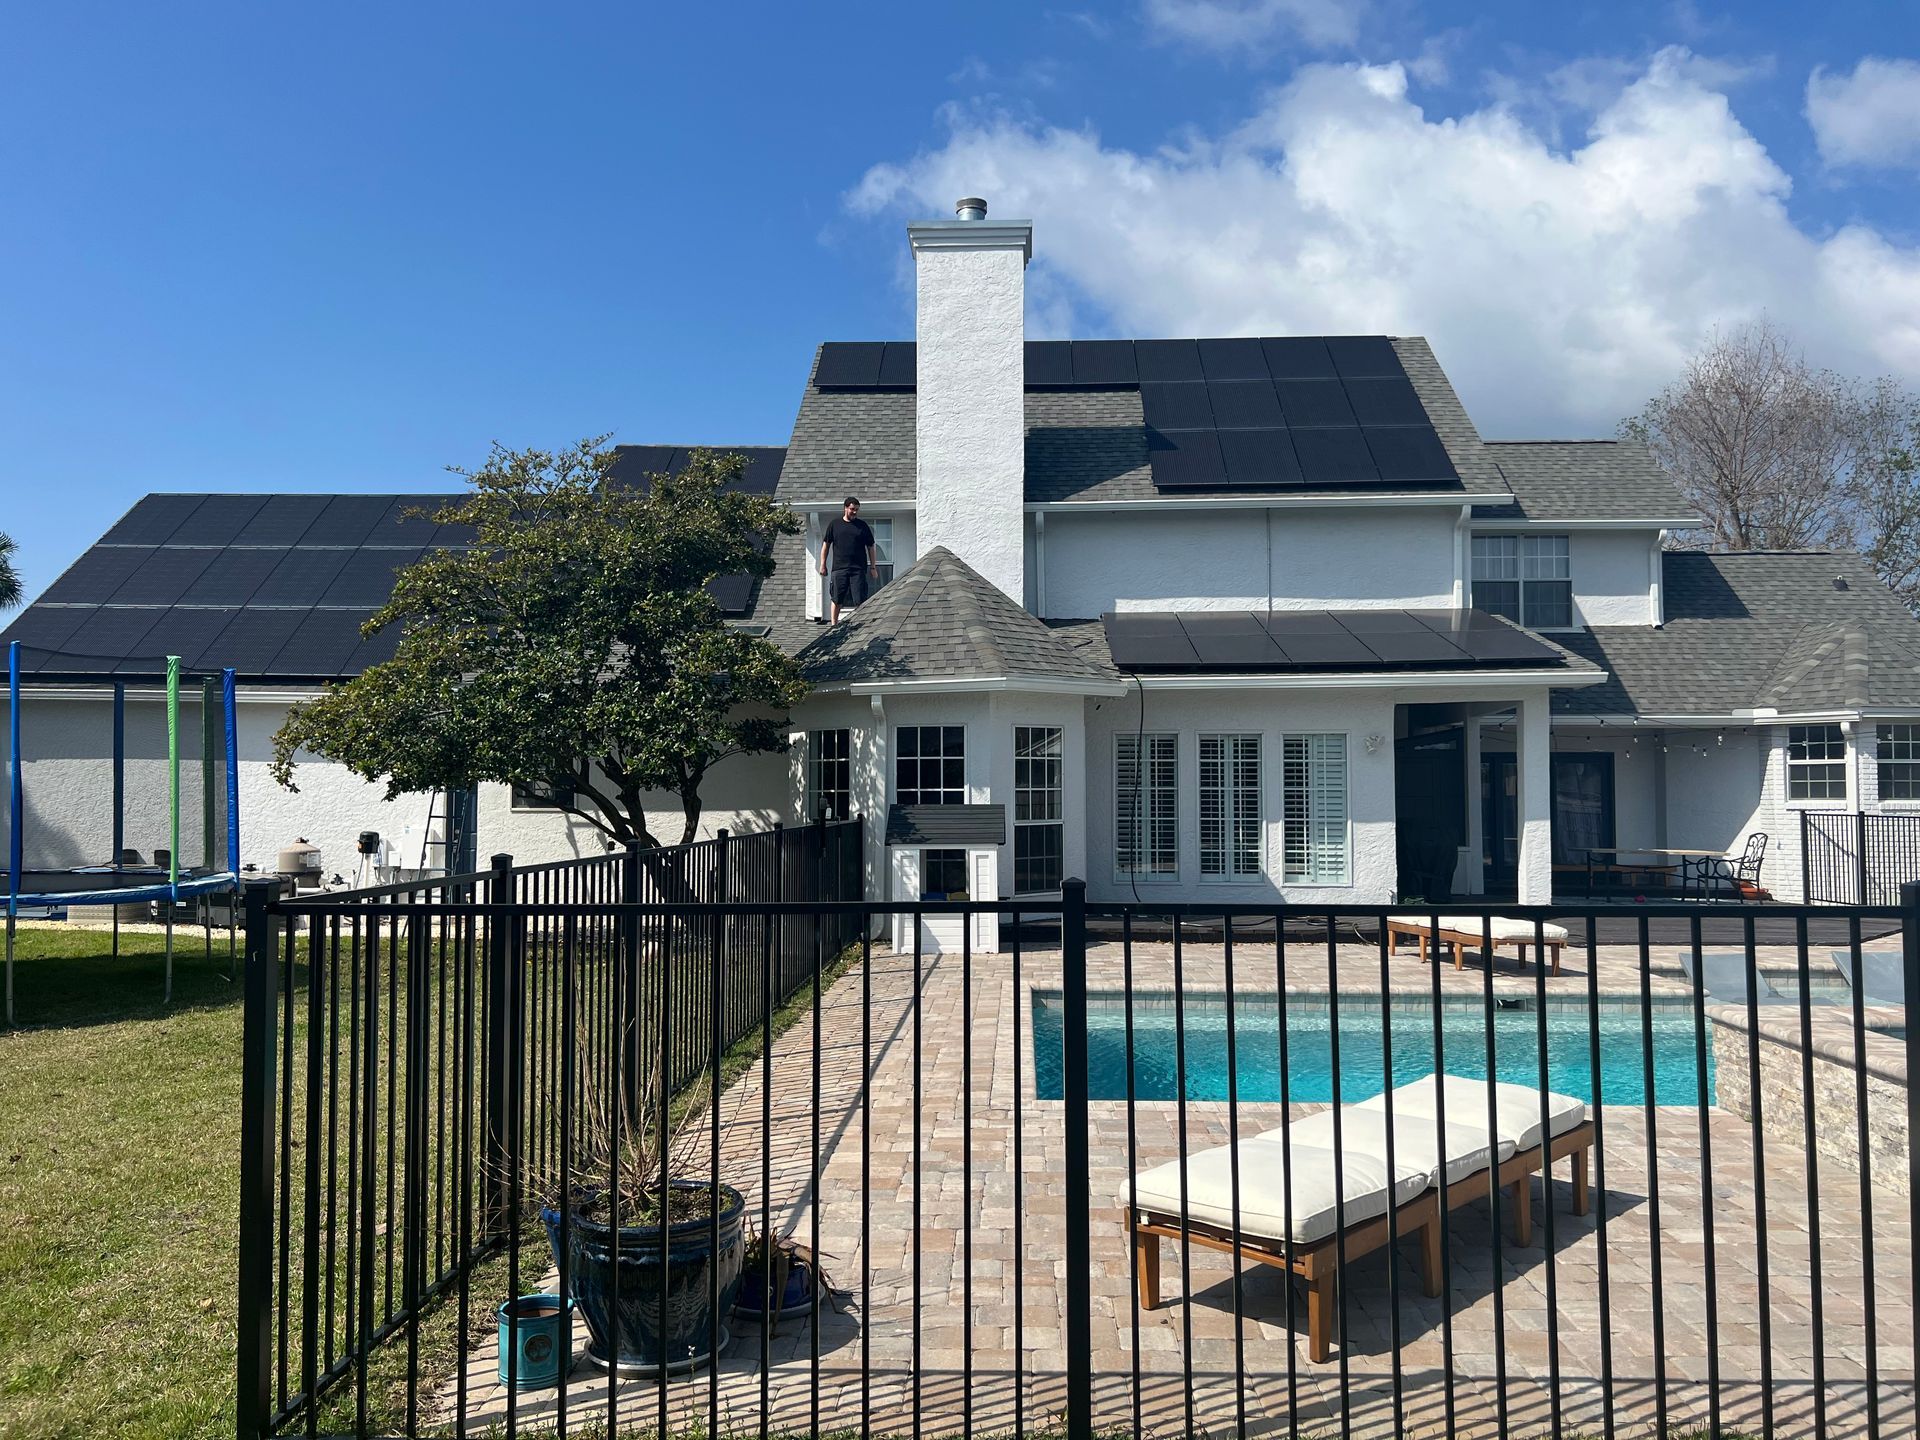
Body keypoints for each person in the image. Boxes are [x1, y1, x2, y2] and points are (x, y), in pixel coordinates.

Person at [819, 495, 878, 623]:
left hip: (858, 569)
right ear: (845, 508)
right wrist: (823, 564)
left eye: (857, 509)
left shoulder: (862, 526)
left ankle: (860, 625)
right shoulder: (835, 525)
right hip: (839, 568)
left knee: (860, 599)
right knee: (836, 598)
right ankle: (834, 625)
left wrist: (873, 567)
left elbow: (871, 546)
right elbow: (826, 545)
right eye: (852, 509)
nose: (855, 512)